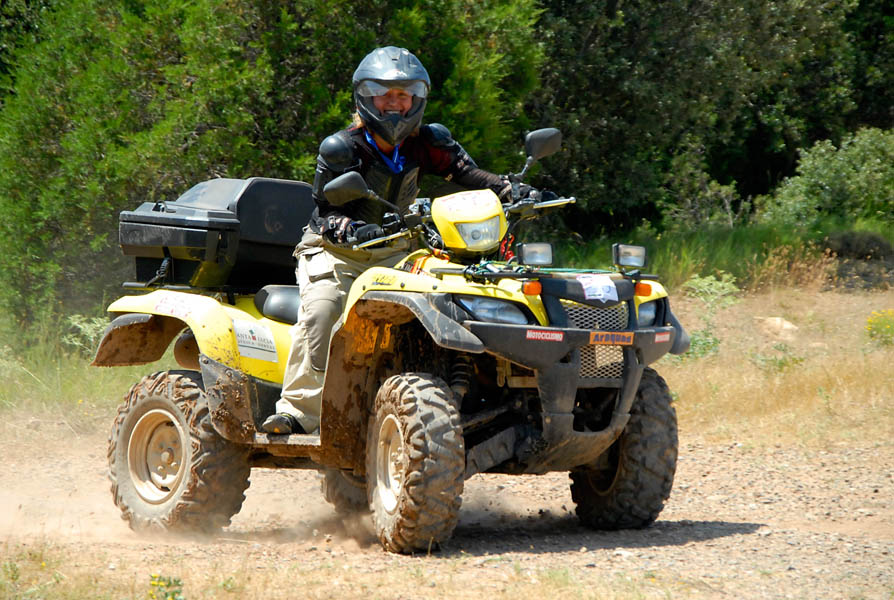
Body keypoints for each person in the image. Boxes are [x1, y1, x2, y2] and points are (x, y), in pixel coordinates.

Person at [262, 46, 518, 435]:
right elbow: (326, 210)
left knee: (459, 297)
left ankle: (465, 397)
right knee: (323, 310)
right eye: (384, 94)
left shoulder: (427, 142)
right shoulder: (343, 147)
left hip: (400, 248)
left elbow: (468, 173)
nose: (395, 103)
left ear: (417, 99)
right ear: (366, 97)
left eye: (404, 94)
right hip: (337, 252)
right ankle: (298, 411)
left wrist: (511, 189)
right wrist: (348, 228)